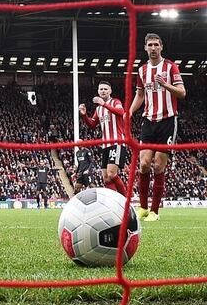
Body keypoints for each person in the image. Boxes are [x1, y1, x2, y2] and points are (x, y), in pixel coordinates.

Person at [128, 33, 185, 222]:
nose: (153, 48)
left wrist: (165, 84)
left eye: (156, 45)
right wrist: (129, 112)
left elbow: (182, 93)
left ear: (161, 47)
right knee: (144, 164)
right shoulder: (142, 70)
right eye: (149, 45)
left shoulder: (171, 67)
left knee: (159, 165)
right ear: (145, 48)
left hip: (168, 121)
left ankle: (155, 211)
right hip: (148, 121)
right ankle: (143, 207)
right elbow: (140, 95)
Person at [79, 81, 127, 195]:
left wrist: (104, 104)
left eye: (105, 89)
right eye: (101, 89)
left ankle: (126, 199)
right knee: (106, 178)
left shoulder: (115, 102)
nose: (103, 91)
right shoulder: (98, 109)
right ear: (98, 92)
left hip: (117, 142)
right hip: (105, 145)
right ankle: (114, 201)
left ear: (110, 91)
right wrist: (84, 115)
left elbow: (121, 112)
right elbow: (92, 125)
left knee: (111, 174)